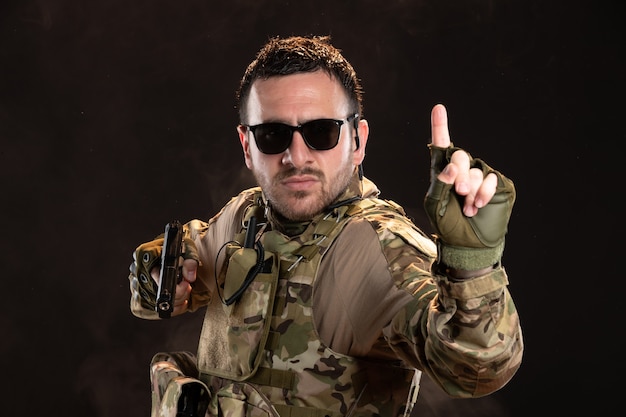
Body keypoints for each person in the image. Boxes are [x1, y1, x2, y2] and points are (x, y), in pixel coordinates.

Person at [128, 35, 523, 417]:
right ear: (247, 147)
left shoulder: (376, 248)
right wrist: (157, 275)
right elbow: (180, 262)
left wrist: (472, 264)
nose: (296, 156)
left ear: (358, 140)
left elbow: (479, 367)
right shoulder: (244, 215)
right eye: (272, 135)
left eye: (321, 132)